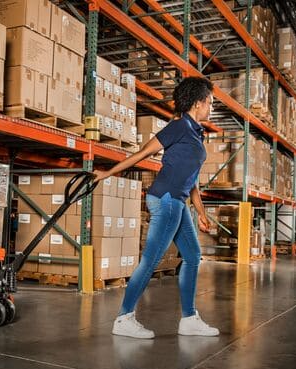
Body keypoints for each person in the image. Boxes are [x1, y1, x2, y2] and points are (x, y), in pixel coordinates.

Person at [93, 77, 219, 339]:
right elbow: (142, 153)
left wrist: (203, 213)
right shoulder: (179, 126)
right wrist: (107, 174)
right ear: (197, 103)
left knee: (193, 256)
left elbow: (192, 180)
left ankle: (189, 319)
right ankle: (124, 318)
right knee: (150, 260)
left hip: (178, 201)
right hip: (166, 200)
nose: (212, 108)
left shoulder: (196, 133)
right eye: (210, 103)